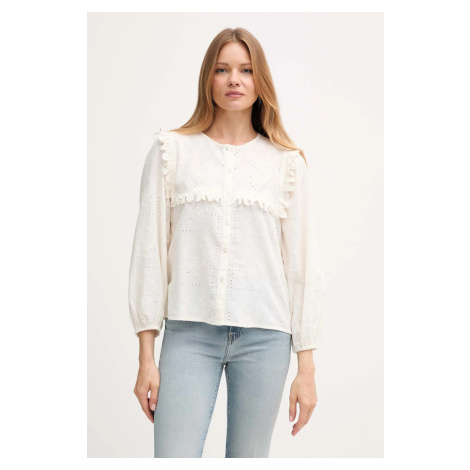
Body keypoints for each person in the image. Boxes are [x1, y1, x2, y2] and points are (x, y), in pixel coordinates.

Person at [128, 27, 327, 458]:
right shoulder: (171, 152)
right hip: (188, 332)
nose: (234, 79)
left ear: (260, 80)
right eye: (222, 69)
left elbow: (302, 267)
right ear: (208, 78)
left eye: (246, 70)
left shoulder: (287, 164)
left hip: (266, 338)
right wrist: (146, 357)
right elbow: (148, 253)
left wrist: (306, 367)